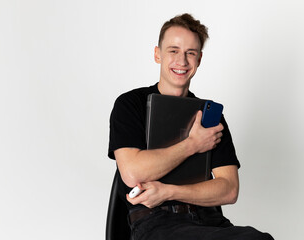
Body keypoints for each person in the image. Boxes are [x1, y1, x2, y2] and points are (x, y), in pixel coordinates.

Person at [108, 13, 273, 240]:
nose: (182, 61)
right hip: (157, 224)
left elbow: (229, 189)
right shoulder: (130, 104)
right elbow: (132, 172)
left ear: (199, 59)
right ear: (158, 54)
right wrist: (192, 144)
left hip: (209, 221)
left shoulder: (210, 116)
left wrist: (170, 191)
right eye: (173, 51)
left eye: (190, 53)